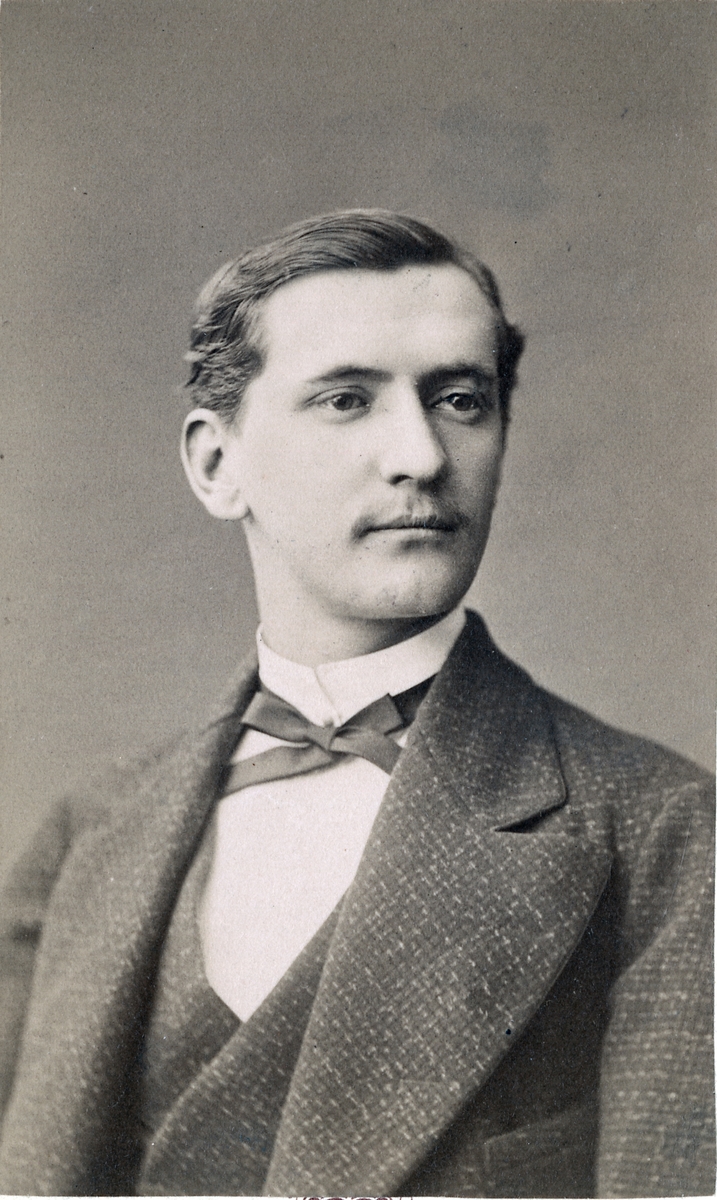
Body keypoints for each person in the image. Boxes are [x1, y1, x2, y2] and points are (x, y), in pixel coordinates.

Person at [0, 210, 713, 1198]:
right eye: (346, 400)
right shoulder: (87, 837)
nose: (421, 455)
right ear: (216, 465)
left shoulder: (663, 834)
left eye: (460, 400)